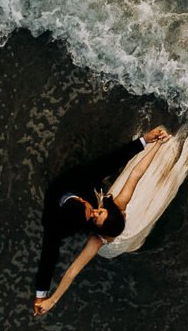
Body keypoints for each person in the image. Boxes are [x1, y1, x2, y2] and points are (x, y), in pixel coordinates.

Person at [33, 126, 171, 316]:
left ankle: (114, 226)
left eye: (95, 211)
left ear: (83, 200)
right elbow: (57, 263)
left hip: (82, 189)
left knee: (104, 168)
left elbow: (132, 171)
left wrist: (149, 142)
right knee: (94, 245)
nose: (96, 211)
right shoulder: (62, 229)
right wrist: (46, 299)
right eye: (95, 215)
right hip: (99, 226)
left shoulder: (112, 201)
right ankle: (113, 234)